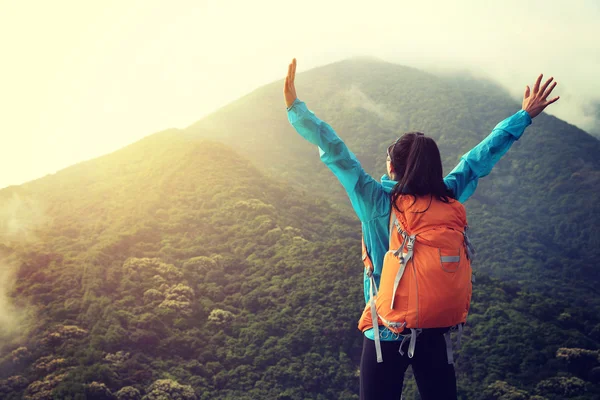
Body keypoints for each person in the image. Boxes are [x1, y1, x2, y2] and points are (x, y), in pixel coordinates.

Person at [283, 58, 559, 400]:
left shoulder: (375, 201)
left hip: (385, 331)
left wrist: (296, 109)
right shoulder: (447, 194)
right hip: (435, 330)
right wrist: (523, 116)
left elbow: (336, 152)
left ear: (392, 166)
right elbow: (477, 160)